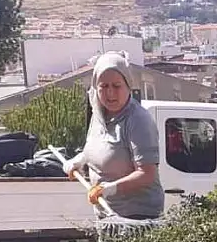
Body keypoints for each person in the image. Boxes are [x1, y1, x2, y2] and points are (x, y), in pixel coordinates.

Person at [63, 52, 165, 219]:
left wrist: (109, 189)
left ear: (128, 86)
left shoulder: (138, 120)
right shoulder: (98, 115)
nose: (110, 93)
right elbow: (100, 149)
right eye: (104, 86)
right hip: (106, 213)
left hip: (136, 217)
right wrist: (79, 160)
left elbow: (147, 174)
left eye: (116, 86)